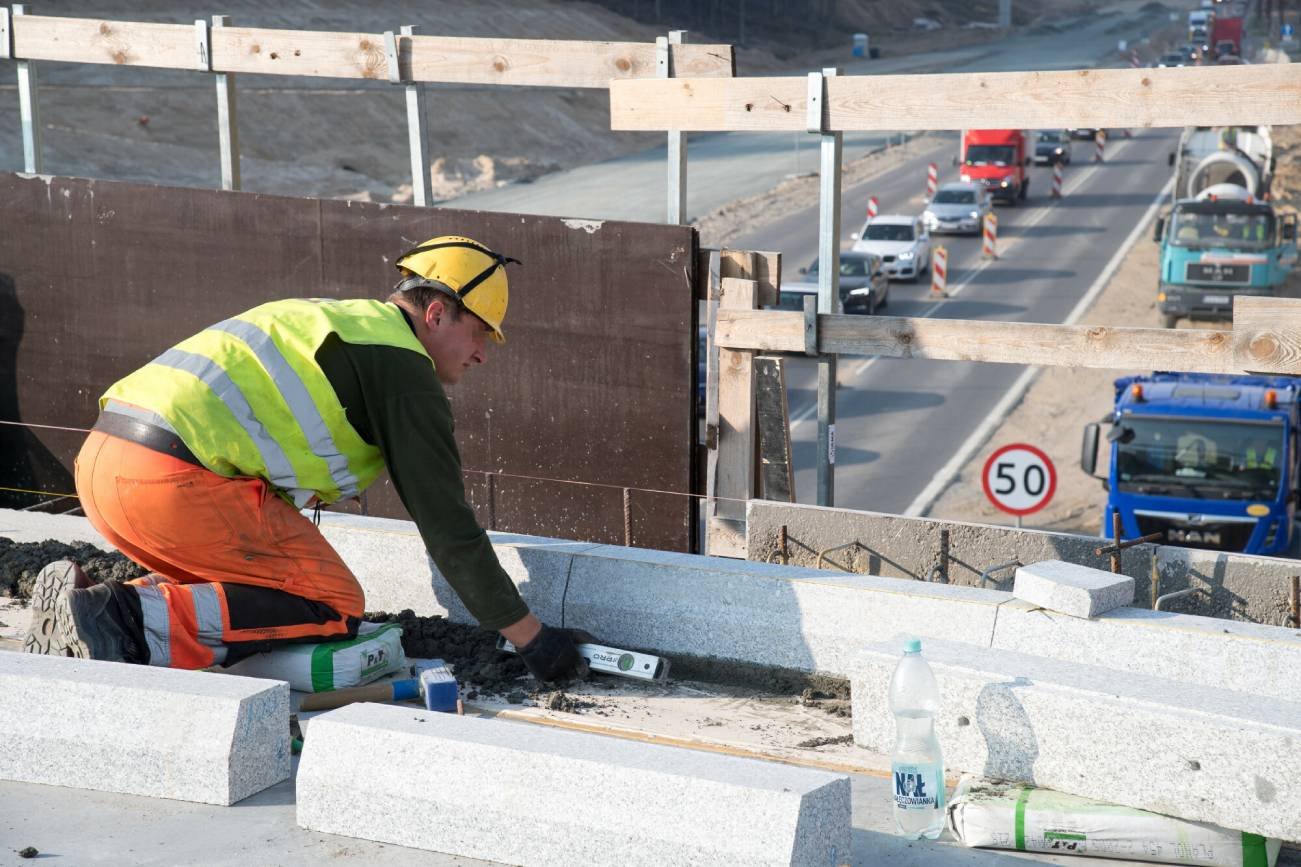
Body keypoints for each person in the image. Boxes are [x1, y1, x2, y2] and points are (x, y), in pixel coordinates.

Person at [23, 235, 589, 683]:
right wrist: (532, 638)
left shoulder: (332, 319)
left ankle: (89, 600)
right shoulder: (401, 367)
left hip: (104, 464)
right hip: (174, 483)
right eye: (480, 333)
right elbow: (447, 528)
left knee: (243, 594)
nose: (483, 355)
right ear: (438, 314)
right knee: (331, 601)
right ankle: (115, 621)